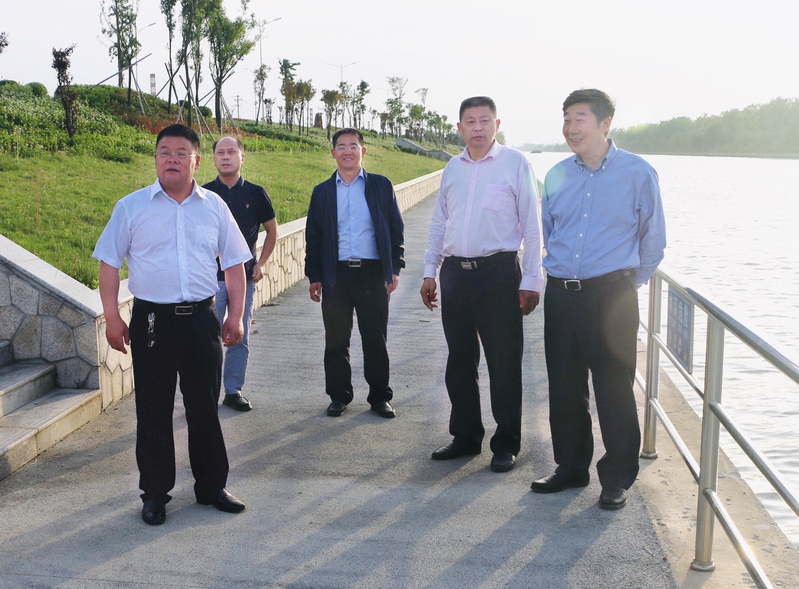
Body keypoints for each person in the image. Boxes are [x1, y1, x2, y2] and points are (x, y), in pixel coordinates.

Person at [94, 124, 252, 525]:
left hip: (202, 318)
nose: (172, 160)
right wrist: (112, 317)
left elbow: (235, 263)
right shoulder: (132, 207)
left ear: (196, 160)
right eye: (164, 152)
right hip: (152, 321)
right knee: (153, 408)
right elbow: (109, 263)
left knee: (205, 407)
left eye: (181, 153)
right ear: (155, 159)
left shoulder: (214, 206)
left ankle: (211, 487)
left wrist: (235, 315)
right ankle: (154, 494)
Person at [530, 89, 667, 509]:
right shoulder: (557, 174)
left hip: (612, 297)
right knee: (564, 385)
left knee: (614, 388)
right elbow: (549, 231)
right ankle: (571, 467)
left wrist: (623, 284)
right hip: (561, 293)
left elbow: (653, 241)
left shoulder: (638, 173)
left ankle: (617, 478)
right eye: (566, 119)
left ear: (605, 124)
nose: (571, 128)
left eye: (580, 118)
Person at [420, 96, 544, 473]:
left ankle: (506, 443)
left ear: (497, 124)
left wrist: (532, 279)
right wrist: (430, 271)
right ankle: (465, 436)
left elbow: (533, 225)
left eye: (484, 120)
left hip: (499, 273)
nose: (477, 127)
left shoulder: (516, 163)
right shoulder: (452, 168)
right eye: (470, 121)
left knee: (504, 361)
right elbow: (440, 222)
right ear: (459, 127)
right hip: (455, 273)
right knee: (459, 359)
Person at [305, 127, 405, 419]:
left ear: (363, 151)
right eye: (341, 146)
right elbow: (314, 237)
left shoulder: (381, 186)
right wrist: (314, 276)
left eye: (353, 146)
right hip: (335, 275)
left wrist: (394, 268)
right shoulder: (322, 192)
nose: (347, 151)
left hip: (372, 273)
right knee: (336, 340)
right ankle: (339, 396)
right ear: (333, 152)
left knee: (375, 338)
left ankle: (380, 397)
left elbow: (396, 229)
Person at [203, 136, 278, 412]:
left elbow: (272, 230)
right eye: (220, 152)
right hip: (209, 281)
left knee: (238, 335)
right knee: (205, 338)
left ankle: (233, 390)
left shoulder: (256, 193)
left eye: (231, 152)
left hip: (243, 280)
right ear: (214, 158)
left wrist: (262, 263)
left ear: (242, 157)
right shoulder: (203, 194)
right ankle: (205, 392)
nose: (226, 157)